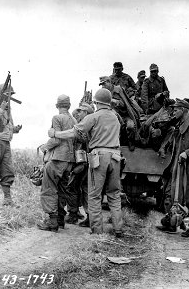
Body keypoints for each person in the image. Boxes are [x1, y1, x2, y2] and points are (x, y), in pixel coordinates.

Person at [48, 88, 124, 237]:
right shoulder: (115, 117)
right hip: (116, 156)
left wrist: (55, 133)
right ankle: (118, 229)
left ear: (96, 102)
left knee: (94, 195)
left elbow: (73, 132)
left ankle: (97, 231)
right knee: (114, 195)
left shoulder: (93, 117)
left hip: (99, 157)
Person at [157, 99, 189, 237]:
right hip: (179, 168)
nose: (173, 111)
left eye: (176, 109)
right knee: (176, 197)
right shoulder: (180, 125)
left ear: (184, 110)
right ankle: (173, 224)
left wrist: (187, 153)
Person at [37, 94, 77, 232]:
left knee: (49, 188)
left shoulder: (57, 118)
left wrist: (45, 147)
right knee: (62, 190)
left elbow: (56, 140)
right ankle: (60, 220)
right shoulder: (74, 119)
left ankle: (52, 223)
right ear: (69, 106)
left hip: (57, 159)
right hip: (69, 161)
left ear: (57, 106)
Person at [100, 76, 141, 151]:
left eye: (104, 84)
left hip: (125, 116)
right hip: (113, 118)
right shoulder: (104, 93)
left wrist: (116, 102)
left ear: (109, 82)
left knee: (130, 126)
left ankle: (131, 141)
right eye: (102, 85)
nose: (103, 86)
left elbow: (125, 104)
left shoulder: (118, 90)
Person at [71, 102, 94, 227]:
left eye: (81, 111)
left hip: (84, 162)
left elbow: (84, 140)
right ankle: (79, 214)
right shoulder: (85, 123)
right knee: (80, 188)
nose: (78, 113)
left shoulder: (87, 125)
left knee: (85, 189)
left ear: (86, 113)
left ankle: (88, 216)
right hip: (82, 161)